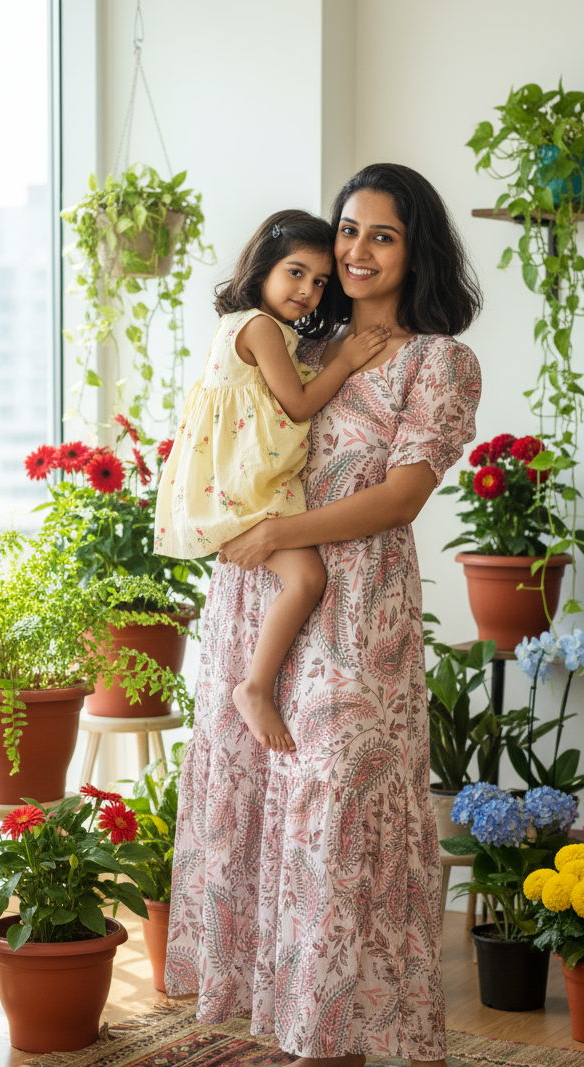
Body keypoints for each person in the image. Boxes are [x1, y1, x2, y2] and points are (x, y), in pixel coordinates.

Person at [166, 164, 482, 1067]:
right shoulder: (309, 334)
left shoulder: (439, 361)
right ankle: (325, 1030)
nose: (354, 251)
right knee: (292, 824)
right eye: (348, 230)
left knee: (367, 817)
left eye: (380, 236)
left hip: (359, 617)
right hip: (264, 602)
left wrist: (281, 537)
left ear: (415, 249)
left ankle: (424, 1047)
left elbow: (399, 497)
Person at [154, 210, 390, 750]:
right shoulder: (259, 328)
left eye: (320, 281)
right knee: (307, 580)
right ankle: (255, 688)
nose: (308, 290)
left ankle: (256, 685)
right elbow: (300, 402)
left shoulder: (262, 329)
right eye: (296, 272)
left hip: (246, 483)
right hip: (245, 492)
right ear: (263, 267)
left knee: (304, 579)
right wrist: (349, 358)